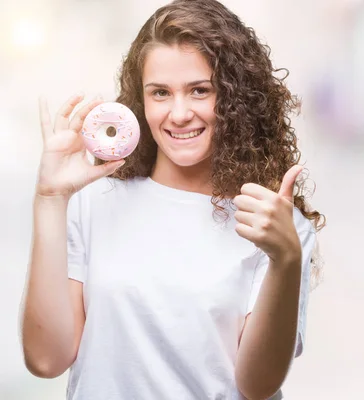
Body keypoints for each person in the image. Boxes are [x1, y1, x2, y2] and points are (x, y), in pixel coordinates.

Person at [19, 0, 325, 399]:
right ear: (140, 102)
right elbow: (45, 360)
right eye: (160, 93)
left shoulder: (273, 225)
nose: (179, 114)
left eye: (200, 90)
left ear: (236, 98)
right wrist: (49, 199)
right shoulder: (93, 203)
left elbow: (257, 385)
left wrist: (285, 260)